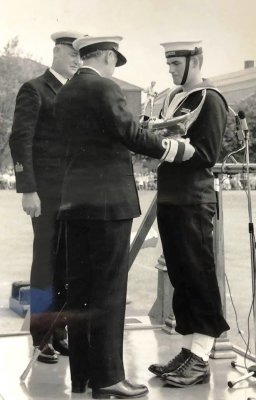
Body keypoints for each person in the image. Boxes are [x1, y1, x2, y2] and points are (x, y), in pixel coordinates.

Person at [55, 35, 195, 397]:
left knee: (81, 290)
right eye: (114, 60)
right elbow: (130, 134)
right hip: (108, 206)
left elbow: (103, 138)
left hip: (74, 203)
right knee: (109, 292)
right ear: (105, 55)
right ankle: (109, 380)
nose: (114, 66)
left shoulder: (65, 92)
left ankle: (83, 376)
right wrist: (175, 148)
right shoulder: (106, 88)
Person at [148, 40, 230, 387]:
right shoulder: (172, 97)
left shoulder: (210, 99)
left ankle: (201, 355)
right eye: (168, 63)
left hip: (193, 201)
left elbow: (206, 154)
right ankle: (188, 351)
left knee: (198, 277)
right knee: (181, 279)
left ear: (195, 60)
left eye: (176, 63)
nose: (170, 69)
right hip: (171, 199)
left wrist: (162, 144)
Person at [9, 30, 85, 364]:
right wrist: (28, 189)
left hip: (74, 196)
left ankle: (60, 332)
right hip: (46, 195)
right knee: (44, 267)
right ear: (56, 50)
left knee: (67, 266)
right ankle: (41, 337)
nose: (77, 60)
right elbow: (19, 140)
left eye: (81, 55)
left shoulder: (78, 92)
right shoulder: (34, 89)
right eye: (71, 52)